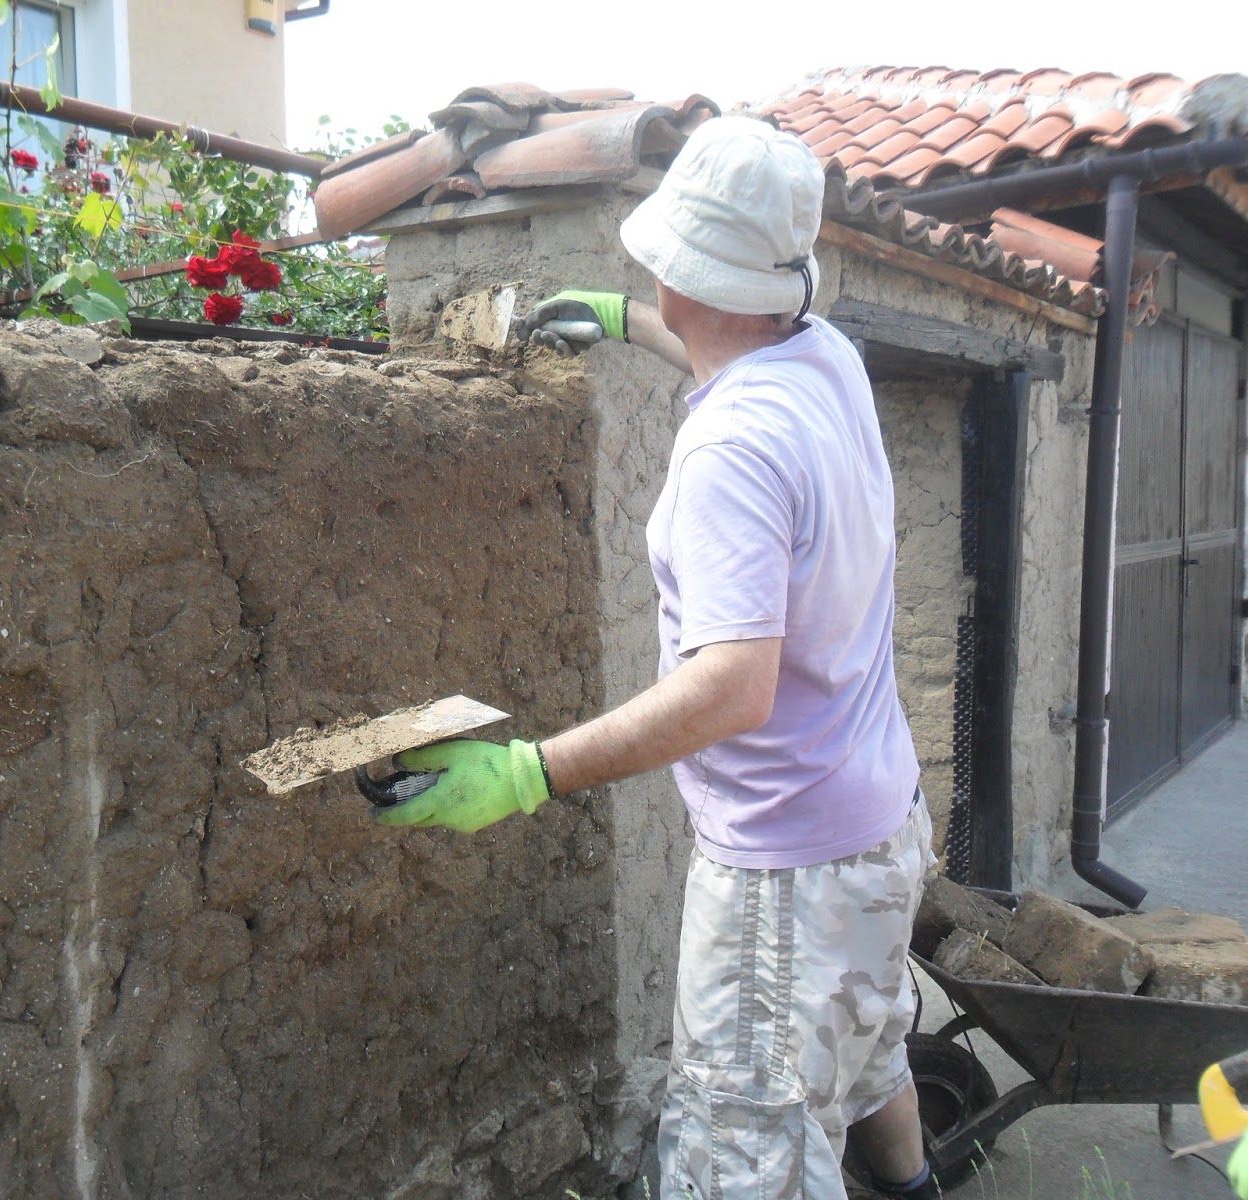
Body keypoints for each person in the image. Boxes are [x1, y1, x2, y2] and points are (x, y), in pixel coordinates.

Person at [373, 116, 935, 1199]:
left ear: (688, 272)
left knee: (742, 1154)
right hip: (879, 827)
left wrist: (530, 772)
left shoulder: (730, 451)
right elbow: (732, 352)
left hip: (785, 876)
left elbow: (731, 688)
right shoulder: (826, 360)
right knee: (864, 1054)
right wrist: (627, 322)